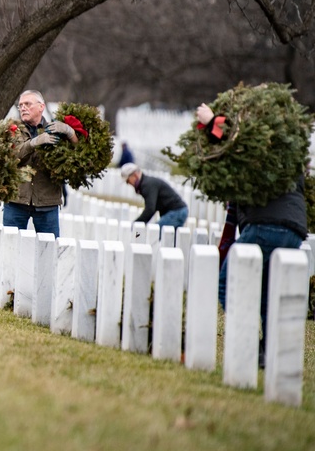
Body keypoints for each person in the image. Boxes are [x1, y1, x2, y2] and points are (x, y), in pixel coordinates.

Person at [197, 103, 306, 369]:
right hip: (294, 230)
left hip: (265, 224)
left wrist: (213, 121)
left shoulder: (262, 146)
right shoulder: (291, 152)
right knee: (269, 294)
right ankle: (266, 351)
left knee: (226, 283)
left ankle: (246, 341)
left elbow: (238, 147)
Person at [2, 90, 78, 237]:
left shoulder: (55, 129)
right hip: (16, 201)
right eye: (20, 105)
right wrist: (33, 143)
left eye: (28, 104)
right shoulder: (13, 130)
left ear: (41, 107)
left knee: (48, 252)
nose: (23, 108)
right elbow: (11, 157)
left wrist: (70, 132)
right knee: (10, 250)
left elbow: (78, 155)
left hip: (47, 202)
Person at [121, 163, 188, 230]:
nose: (128, 184)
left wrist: (136, 225)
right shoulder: (146, 183)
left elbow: (150, 209)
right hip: (178, 211)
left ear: (135, 175)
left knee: (155, 234)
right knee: (168, 238)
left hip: (176, 211)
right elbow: (153, 208)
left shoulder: (147, 185)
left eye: (128, 181)